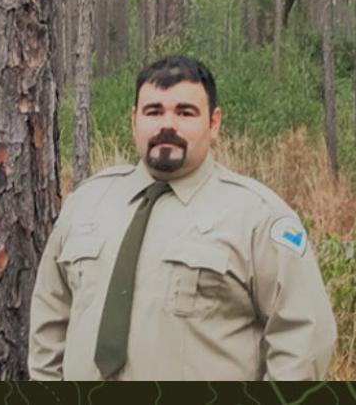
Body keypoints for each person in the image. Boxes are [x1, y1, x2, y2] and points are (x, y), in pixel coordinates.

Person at [28, 55, 337, 381]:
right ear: (134, 121)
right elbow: (50, 318)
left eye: (185, 112)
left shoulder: (257, 217)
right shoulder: (85, 204)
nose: (167, 125)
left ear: (213, 123)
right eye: (154, 111)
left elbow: (304, 336)